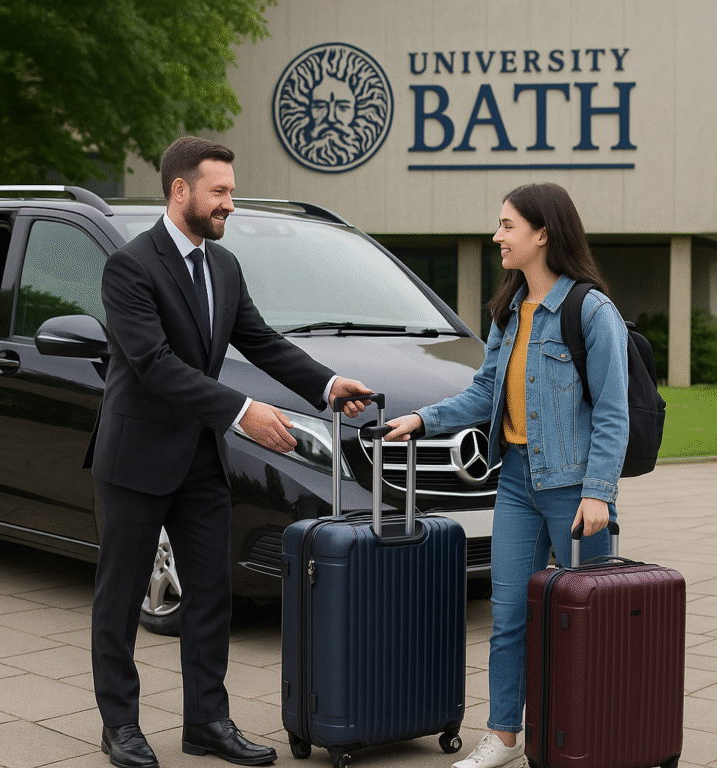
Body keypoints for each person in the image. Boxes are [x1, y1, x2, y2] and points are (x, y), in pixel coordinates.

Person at [85, 136, 372, 768]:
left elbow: (261, 342)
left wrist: (327, 384)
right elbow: (154, 364)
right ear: (180, 190)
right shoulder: (130, 267)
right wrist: (242, 412)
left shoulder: (224, 266)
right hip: (135, 460)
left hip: (200, 460)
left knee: (212, 594)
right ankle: (121, 727)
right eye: (219, 192)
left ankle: (207, 722)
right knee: (120, 596)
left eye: (231, 192)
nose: (229, 205)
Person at [383, 183, 629, 768]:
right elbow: (487, 391)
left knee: (587, 620)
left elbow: (613, 412)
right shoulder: (508, 311)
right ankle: (505, 736)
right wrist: (425, 418)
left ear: (543, 234)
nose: (498, 236)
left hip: (574, 488)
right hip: (516, 480)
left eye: (507, 225)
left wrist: (598, 492)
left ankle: (591, 731)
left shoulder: (591, 311)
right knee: (510, 615)